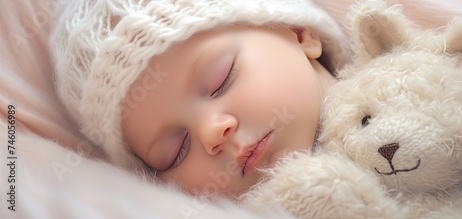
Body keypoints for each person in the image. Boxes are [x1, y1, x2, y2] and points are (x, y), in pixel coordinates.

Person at [50, 0, 349, 199]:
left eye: (219, 81)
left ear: (299, 33)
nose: (211, 132)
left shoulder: (394, 75)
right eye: (175, 151)